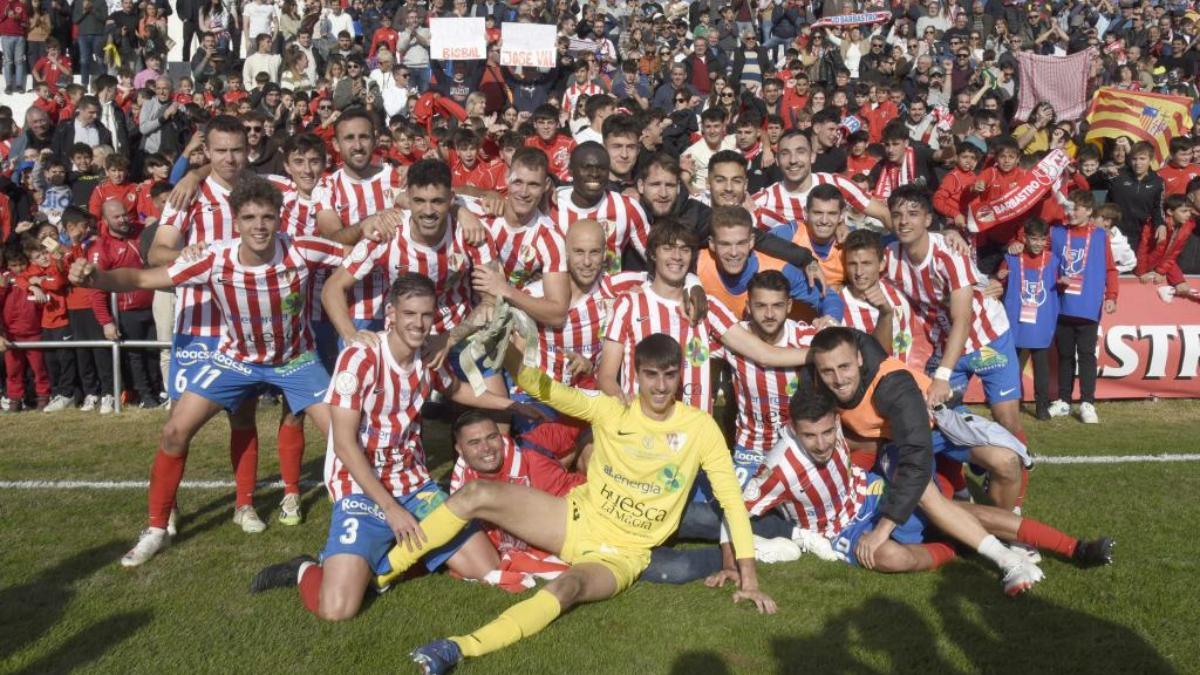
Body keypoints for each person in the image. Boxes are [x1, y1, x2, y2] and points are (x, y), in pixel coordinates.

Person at [389, 331, 776, 673]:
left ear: (679, 376)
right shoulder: (610, 410)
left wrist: (751, 580)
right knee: (475, 493)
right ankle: (382, 575)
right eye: (650, 375)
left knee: (566, 588)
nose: (660, 386)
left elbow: (731, 501)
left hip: (624, 554)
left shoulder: (700, 427)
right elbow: (545, 389)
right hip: (576, 519)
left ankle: (459, 647)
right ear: (636, 375)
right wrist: (507, 347)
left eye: (669, 375)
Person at [69, 176, 346, 567]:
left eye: (267, 217)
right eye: (249, 217)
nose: (259, 226)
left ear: (280, 219)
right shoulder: (214, 256)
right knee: (174, 431)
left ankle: (362, 522)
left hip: (296, 361)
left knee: (345, 438)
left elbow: (359, 253)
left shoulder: (302, 249)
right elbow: (142, 277)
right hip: (235, 361)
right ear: (236, 221)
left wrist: (381, 226)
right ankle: (156, 529)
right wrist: (96, 278)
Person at [250, 274, 536, 620]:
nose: (418, 323)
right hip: (361, 488)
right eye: (410, 314)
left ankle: (379, 564)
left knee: (485, 565)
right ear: (391, 313)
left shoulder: (427, 356)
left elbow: (455, 389)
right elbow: (343, 444)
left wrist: (510, 406)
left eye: (426, 315)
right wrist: (390, 508)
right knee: (336, 610)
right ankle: (305, 568)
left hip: (414, 483)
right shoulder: (360, 358)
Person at [883, 185, 1025, 443]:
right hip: (944, 343)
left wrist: (942, 376)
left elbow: (963, 319)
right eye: (897, 215)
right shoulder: (888, 255)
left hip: (986, 336)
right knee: (939, 420)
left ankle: (1013, 468)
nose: (904, 221)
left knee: (1007, 418)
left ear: (927, 219)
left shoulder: (949, 254)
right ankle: (960, 479)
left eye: (913, 214)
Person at [1048, 190, 1117, 424]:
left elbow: (1110, 269)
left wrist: (1112, 295)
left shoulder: (1099, 236)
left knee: (1086, 355)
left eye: (1077, 208)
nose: (1072, 212)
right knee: (1065, 355)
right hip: (1062, 303)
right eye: (1069, 207)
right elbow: (1046, 263)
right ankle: (1064, 401)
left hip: (1088, 304)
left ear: (1089, 211)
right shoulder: (1056, 233)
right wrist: (1056, 279)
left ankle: (1087, 402)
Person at [996, 218, 1059, 420]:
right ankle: (1009, 404)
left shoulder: (1053, 260)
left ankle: (1041, 407)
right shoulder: (1012, 258)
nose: (1038, 243)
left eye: (1042, 239)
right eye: (1034, 239)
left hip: (1040, 320)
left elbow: (1060, 282)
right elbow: (998, 280)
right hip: (1015, 319)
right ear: (1025, 238)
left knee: (1041, 366)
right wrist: (1000, 276)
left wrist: (1063, 283)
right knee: (1011, 366)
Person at [839, 229, 915, 363]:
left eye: (866, 263)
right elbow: (876, 360)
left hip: (907, 375)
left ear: (881, 265)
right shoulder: (837, 306)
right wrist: (886, 314)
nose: (859, 272)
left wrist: (949, 233)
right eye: (852, 264)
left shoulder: (900, 293)